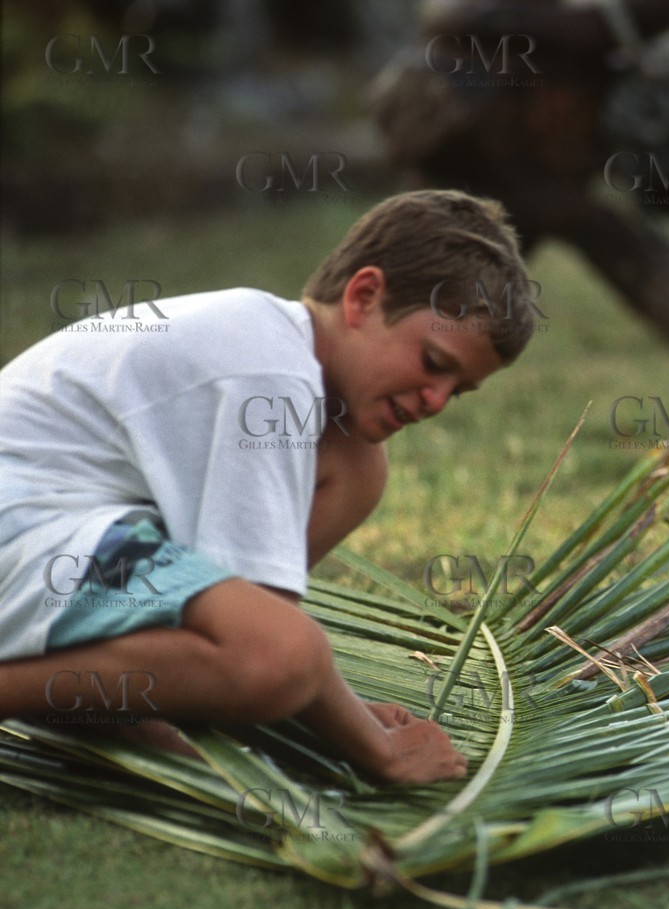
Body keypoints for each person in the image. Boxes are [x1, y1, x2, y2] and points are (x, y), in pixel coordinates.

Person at [0, 190, 539, 781]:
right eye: (434, 363)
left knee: (358, 469)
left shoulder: (306, 394)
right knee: (281, 656)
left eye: (457, 391)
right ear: (363, 297)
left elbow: (250, 619)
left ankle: (103, 710)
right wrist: (377, 747)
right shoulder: (267, 370)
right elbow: (278, 648)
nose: (436, 401)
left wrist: (339, 708)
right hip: (25, 526)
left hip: (66, 542)